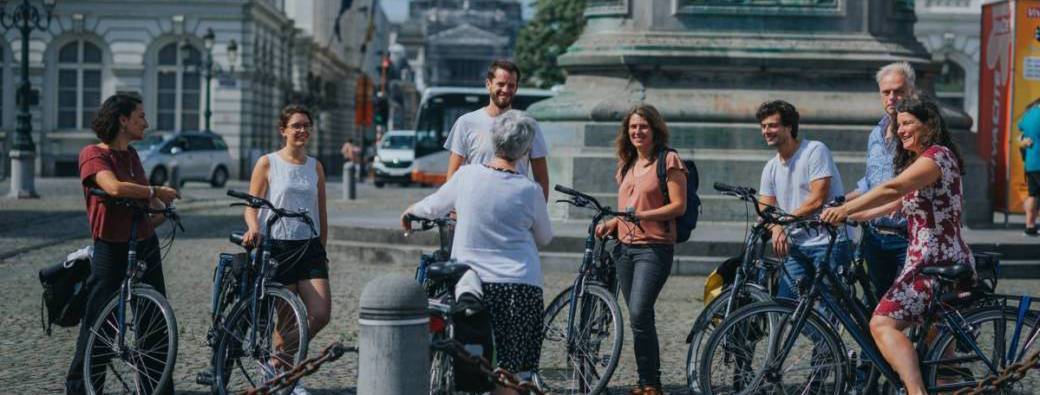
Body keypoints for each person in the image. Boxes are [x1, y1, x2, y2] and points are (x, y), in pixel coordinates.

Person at [822, 98, 975, 395]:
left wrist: (842, 212)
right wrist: (848, 215)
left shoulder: (936, 157)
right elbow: (895, 203)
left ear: (928, 124)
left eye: (907, 123)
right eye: (898, 124)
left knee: (881, 324)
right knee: (937, 350)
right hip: (930, 259)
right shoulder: (925, 161)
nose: (901, 130)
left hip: (935, 263)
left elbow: (893, 187)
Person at [402, 110, 553, 395]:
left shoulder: (467, 176)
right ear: (524, 151)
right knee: (511, 371)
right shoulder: (530, 190)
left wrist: (410, 212)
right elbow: (545, 237)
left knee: (470, 364)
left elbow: (435, 205)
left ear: (494, 141)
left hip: (473, 285)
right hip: (519, 288)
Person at [67, 93, 180, 394]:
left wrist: (162, 210)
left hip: (144, 243)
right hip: (111, 247)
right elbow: (113, 188)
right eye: (141, 116)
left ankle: (156, 389)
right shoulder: (94, 154)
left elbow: (149, 207)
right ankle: (81, 389)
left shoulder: (132, 156)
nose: (147, 122)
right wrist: (153, 190)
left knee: (155, 323)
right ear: (123, 120)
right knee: (98, 325)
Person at [594, 104, 687, 395]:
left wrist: (643, 216)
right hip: (625, 249)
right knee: (639, 318)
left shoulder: (668, 160)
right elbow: (626, 208)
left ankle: (651, 383)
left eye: (643, 126)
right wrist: (613, 222)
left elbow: (678, 205)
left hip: (654, 248)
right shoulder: (626, 163)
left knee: (638, 311)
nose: (637, 132)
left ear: (655, 129)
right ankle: (646, 380)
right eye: (633, 127)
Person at [241, 105, 330, 395]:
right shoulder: (267, 163)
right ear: (283, 131)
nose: (302, 130)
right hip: (279, 245)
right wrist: (254, 227)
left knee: (320, 313)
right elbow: (251, 206)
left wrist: (321, 245)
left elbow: (321, 210)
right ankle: (286, 375)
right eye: (296, 126)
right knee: (288, 317)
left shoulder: (315, 165)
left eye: (306, 125)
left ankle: (276, 359)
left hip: (309, 245)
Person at [755, 100, 851, 301]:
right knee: (784, 304)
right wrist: (775, 227)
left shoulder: (815, 151)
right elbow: (765, 209)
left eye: (772, 125)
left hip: (829, 241)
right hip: (797, 245)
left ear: (789, 127)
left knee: (828, 310)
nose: (766, 131)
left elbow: (817, 199)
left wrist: (783, 222)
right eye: (763, 126)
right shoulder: (770, 167)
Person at [846, 62, 915, 302]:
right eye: (886, 92)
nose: (892, 97)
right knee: (875, 306)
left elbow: (901, 190)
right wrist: (835, 202)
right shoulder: (875, 134)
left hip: (908, 237)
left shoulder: (917, 134)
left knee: (918, 309)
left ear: (911, 93)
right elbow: (870, 183)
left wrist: (851, 212)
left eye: (899, 91)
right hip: (875, 237)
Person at [444, 59, 550, 199]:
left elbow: (541, 178)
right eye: (500, 84)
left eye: (511, 85)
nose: (505, 90)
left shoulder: (529, 125)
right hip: (476, 207)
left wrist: (537, 213)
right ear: (488, 84)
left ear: (517, 88)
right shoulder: (466, 123)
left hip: (514, 208)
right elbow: (453, 174)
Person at [1017, 98, 1040, 236]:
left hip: (1031, 162)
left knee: (1033, 194)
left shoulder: (1029, 115)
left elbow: (1021, 132)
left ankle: (1029, 226)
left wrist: (1024, 140)